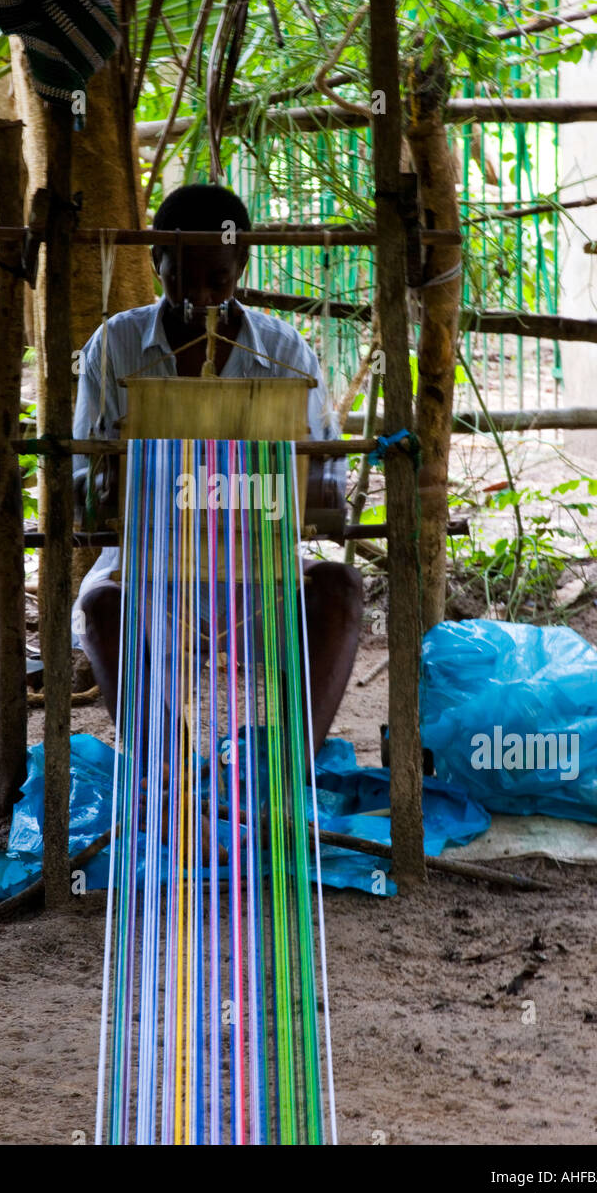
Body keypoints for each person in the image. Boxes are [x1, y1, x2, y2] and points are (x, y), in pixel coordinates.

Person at [71, 183, 363, 769]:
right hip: (151, 570)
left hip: (257, 571)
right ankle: (175, 783)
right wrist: (111, 480)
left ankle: (288, 777)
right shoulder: (115, 348)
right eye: (181, 278)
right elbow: (80, 484)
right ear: (156, 263)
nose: (199, 298)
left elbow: (329, 478)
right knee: (102, 606)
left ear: (241, 268)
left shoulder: (283, 352)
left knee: (340, 591)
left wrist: (315, 484)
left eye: (218, 282)